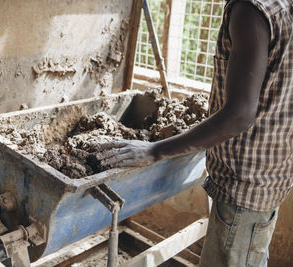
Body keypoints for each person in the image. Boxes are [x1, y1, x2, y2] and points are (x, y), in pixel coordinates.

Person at [97, 0, 293, 266]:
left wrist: (154, 150)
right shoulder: (280, 6)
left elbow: (239, 116)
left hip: (244, 188)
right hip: (270, 179)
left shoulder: (250, 10)